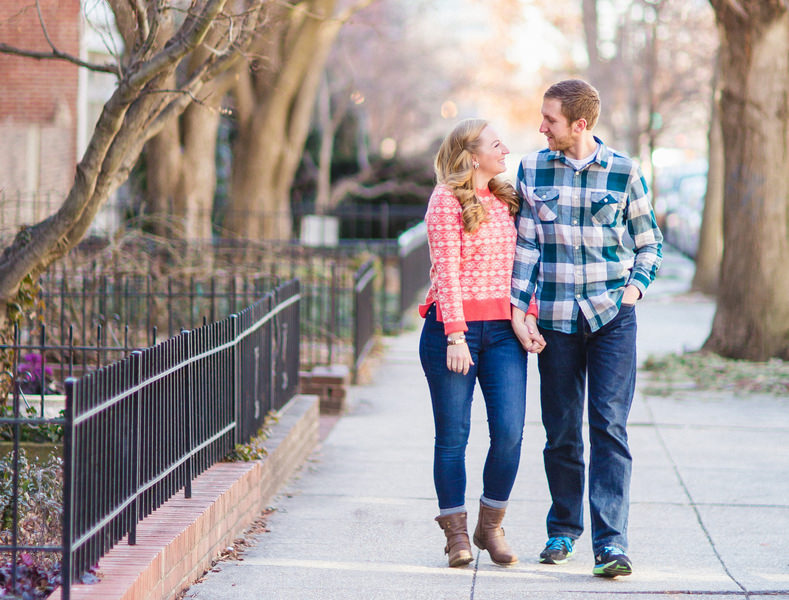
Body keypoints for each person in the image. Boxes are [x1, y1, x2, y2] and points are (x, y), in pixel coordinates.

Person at [510, 79, 663, 578]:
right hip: (554, 319)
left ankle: (611, 544)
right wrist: (520, 309)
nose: (541, 127)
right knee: (560, 432)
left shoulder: (623, 171)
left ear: (579, 123)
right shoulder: (533, 168)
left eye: (550, 119)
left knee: (609, 428)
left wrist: (633, 291)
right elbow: (527, 248)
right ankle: (563, 529)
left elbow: (649, 243)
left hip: (612, 318)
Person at [419, 118, 544, 568]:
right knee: (453, 437)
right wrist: (455, 335)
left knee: (510, 433)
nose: (505, 149)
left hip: (504, 333)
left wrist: (527, 316)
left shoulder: (509, 199)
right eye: (496, 144)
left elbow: (527, 264)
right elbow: (446, 273)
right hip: (452, 332)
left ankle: (490, 526)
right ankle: (455, 536)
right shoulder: (444, 200)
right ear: (472, 155)